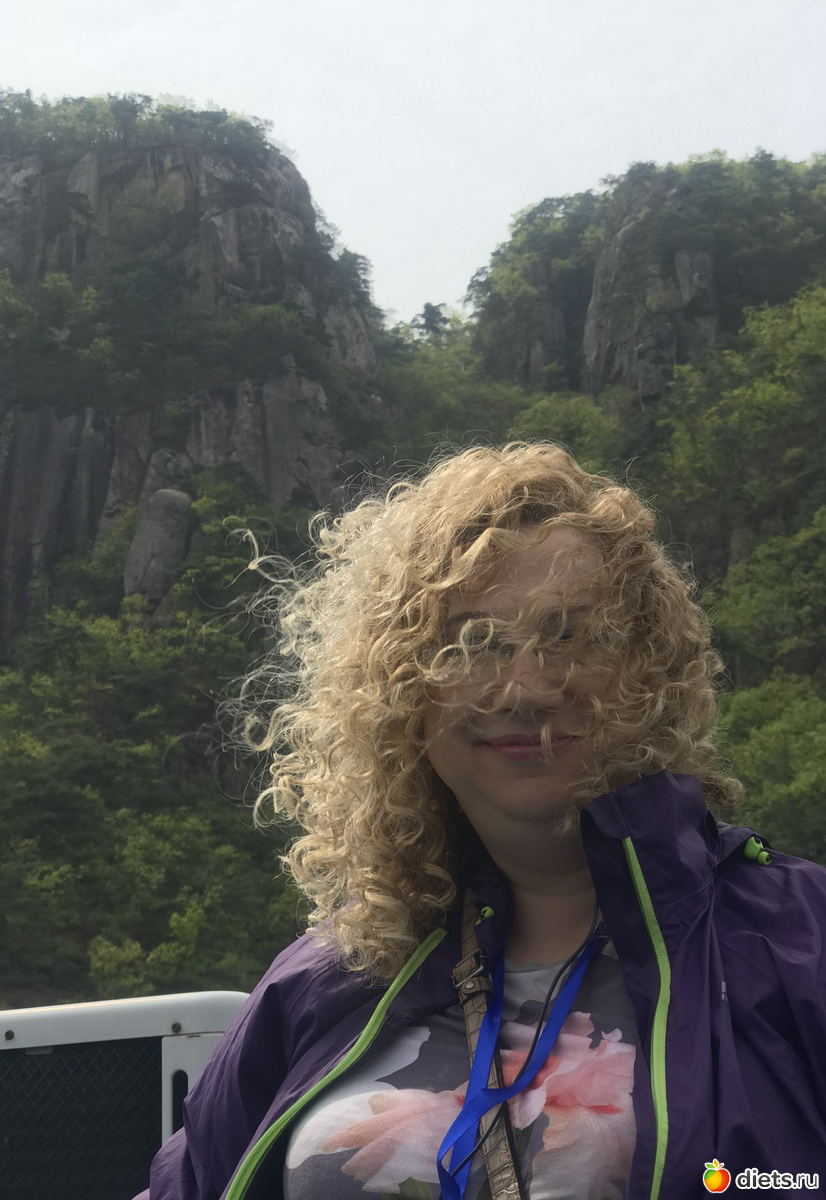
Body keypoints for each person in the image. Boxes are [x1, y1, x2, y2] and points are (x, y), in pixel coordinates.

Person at [135, 442, 826, 1200]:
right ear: (402, 695)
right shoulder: (324, 980)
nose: (523, 688)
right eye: (474, 645)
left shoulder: (801, 944)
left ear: (651, 671)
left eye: (569, 635)